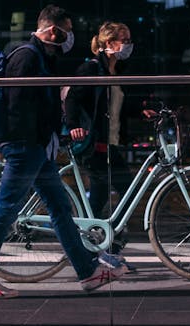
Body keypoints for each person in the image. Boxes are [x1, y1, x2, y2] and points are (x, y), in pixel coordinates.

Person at [0, 4, 129, 299]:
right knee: (6, 212)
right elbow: (19, 108)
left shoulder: (37, 56)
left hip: (36, 149)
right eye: (67, 31)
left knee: (60, 209)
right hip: (26, 148)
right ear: (54, 30)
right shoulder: (27, 57)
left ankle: (88, 272)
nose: (69, 38)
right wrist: (43, 137)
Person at [64, 20, 152, 251]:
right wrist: (73, 125)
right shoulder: (92, 69)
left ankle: (98, 242)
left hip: (110, 143)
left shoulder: (116, 71)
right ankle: (106, 239)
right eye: (125, 40)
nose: (129, 45)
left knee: (102, 195)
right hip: (93, 142)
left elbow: (116, 107)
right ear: (110, 43)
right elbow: (73, 97)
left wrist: (140, 110)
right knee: (128, 191)